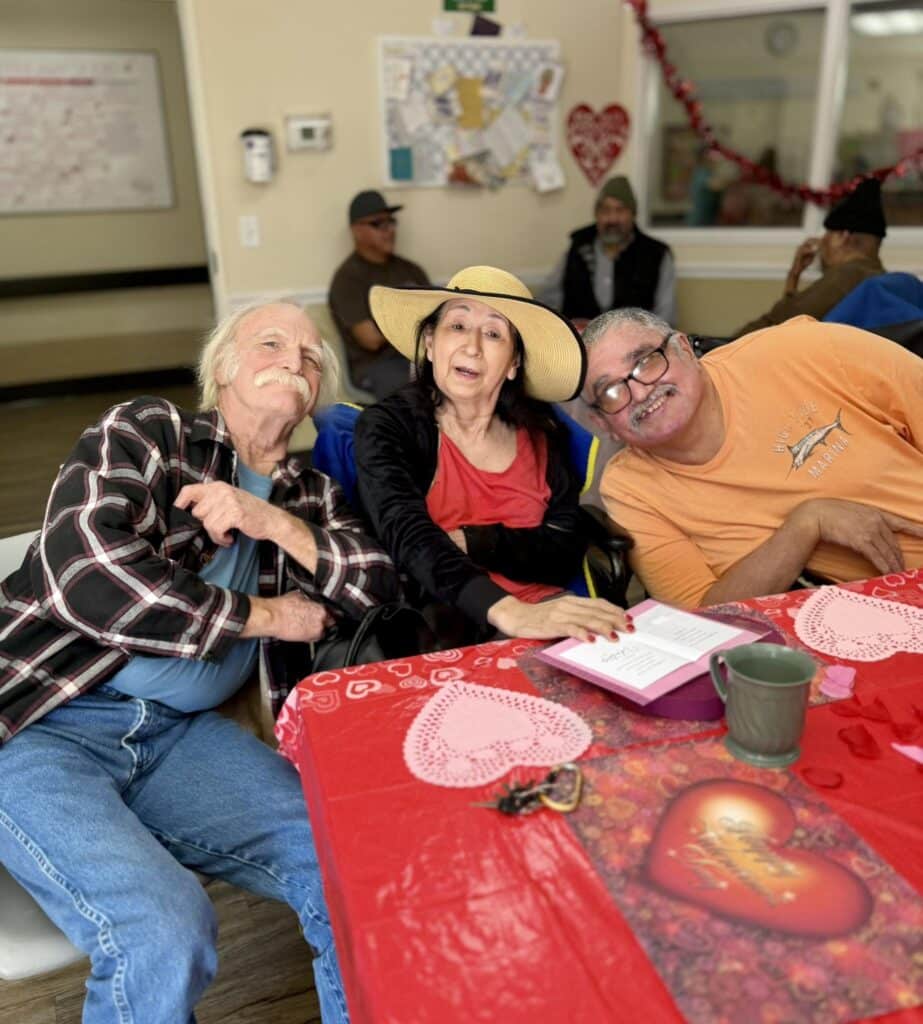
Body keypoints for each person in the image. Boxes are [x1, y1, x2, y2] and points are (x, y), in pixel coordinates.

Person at [0, 300, 400, 1023]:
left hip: (177, 737)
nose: (295, 360)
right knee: (160, 925)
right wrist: (263, 616)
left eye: (312, 357)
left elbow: (374, 585)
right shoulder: (150, 432)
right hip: (39, 721)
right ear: (221, 368)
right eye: (271, 343)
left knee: (350, 863)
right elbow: (82, 571)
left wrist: (269, 521)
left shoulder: (310, 495)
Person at [353, 265, 630, 643]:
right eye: (458, 326)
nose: (472, 346)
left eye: (494, 333)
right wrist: (510, 613)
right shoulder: (389, 427)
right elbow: (408, 538)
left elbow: (563, 552)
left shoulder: (545, 436)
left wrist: (475, 541)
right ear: (431, 344)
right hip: (445, 632)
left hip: (549, 614)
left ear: (514, 363)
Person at [581, 306, 923, 609]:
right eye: (610, 392)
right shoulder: (631, 490)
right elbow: (702, 617)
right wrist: (806, 525)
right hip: (872, 618)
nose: (640, 391)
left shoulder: (803, 350)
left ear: (684, 348)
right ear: (602, 423)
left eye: (646, 361)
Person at [732, 178, 887, 338]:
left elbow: (783, 322)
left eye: (826, 237)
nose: (821, 245)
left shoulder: (846, 276)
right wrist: (795, 277)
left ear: (843, 237)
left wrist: (792, 276)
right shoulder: (879, 278)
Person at [328, 189, 430, 399]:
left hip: (421, 356)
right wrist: (414, 314)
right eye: (377, 224)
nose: (388, 230)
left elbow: (438, 320)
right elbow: (370, 339)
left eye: (391, 222)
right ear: (356, 231)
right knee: (414, 391)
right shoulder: (348, 279)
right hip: (377, 366)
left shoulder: (411, 269)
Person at [540, 175, 675, 326]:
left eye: (620, 210)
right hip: (580, 342)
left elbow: (665, 317)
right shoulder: (578, 246)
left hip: (635, 344)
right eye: (606, 210)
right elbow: (549, 301)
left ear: (633, 214)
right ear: (597, 214)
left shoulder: (656, 254)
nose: (612, 219)